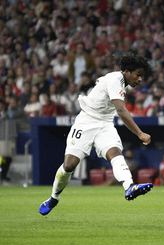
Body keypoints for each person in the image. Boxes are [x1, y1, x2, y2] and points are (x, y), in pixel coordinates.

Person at [39, 53, 153, 216]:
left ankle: (129, 186)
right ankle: (53, 198)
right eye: (138, 75)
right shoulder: (115, 80)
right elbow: (121, 110)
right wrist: (140, 133)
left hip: (105, 124)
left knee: (114, 152)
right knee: (69, 165)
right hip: (86, 121)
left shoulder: (118, 80)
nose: (140, 79)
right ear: (127, 71)